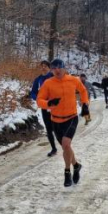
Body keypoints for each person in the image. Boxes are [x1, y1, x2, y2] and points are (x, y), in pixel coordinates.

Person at [37, 59, 90, 187]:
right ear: (51, 70)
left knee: (66, 144)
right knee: (66, 148)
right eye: (54, 68)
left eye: (59, 67)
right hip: (55, 120)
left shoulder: (73, 80)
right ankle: (76, 166)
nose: (57, 70)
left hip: (71, 118)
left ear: (64, 68)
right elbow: (39, 100)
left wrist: (85, 104)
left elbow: (83, 91)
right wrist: (48, 104)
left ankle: (67, 173)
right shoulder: (48, 83)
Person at [30, 60, 58, 157]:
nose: (43, 67)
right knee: (48, 128)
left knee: (57, 126)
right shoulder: (38, 80)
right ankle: (54, 148)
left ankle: (65, 144)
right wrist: (37, 98)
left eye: (45, 66)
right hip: (45, 106)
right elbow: (32, 92)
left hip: (56, 105)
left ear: (49, 68)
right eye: (41, 66)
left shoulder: (53, 77)